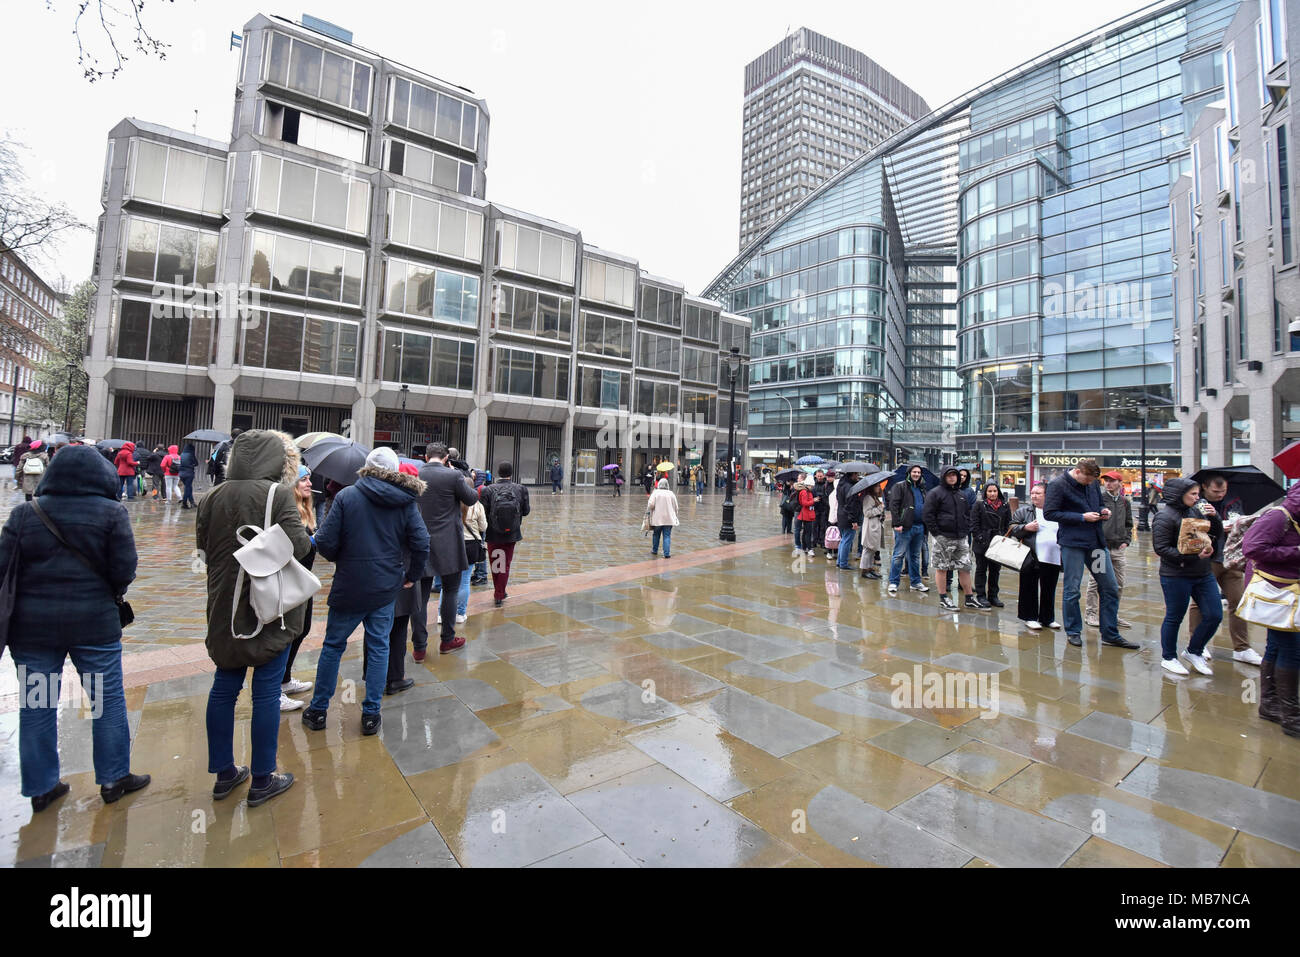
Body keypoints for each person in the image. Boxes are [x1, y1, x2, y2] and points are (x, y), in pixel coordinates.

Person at [0, 444, 149, 813]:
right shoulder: (112, 513)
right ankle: (114, 778)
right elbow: (125, 568)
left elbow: (4, 569)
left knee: (38, 703)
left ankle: (41, 786)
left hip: (33, 631)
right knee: (105, 699)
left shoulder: (25, 513)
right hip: (94, 628)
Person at [199, 430, 309, 806]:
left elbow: (202, 546)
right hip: (268, 608)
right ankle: (263, 778)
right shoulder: (277, 494)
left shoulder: (212, 494)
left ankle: (224, 773)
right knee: (265, 692)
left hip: (222, 607)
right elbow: (301, 545)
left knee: (224, 687)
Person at [302, 447, 429, 737]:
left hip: (350, 582)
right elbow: (422, 542)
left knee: (333, 645)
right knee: (379, 645)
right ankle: (371, 714)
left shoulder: (347, 496)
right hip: (386, 585)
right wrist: (411, 575)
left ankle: (319, 710)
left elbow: (326, 541)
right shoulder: (406, 501)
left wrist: (342, 559)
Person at [1045, 458, 1139, 650]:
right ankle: (1073, 631)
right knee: (1072, 589)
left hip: (1095, 543)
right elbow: (1050, 513)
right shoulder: (1058, 485)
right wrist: (1081, 517)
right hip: (1073, 544)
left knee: (1109, 586)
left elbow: (1095, 505)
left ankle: (1110, 633)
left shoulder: (1093, 483)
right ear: (1078, 472)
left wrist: (1102, 511)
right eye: (1087, 480)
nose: (1090, 484)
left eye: (1092, 481)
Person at [410, 443, 478, 662]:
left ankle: (419, 647)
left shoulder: (415, 474)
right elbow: (471, 498)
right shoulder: (453, 475)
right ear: (446, 457)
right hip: (449, 542)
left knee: (419, 596)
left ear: (426, 456)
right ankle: (447, 640)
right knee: (450, 590)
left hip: (420, 542)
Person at [1243, 480, 1300, 736]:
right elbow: (1253, 548)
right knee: (1291, 649)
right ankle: (1291, 716)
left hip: (1289, 593)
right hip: (1277, 593)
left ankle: (1270, 705)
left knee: (1277, 646)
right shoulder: (1278, 517)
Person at [1151, 478, 1224, 676]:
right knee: (1175, 617)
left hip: (1202, 572)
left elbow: (1215, 533)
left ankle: (1194, 651)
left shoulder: (1196, 510)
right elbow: (1161, 548)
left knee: (1215, 614)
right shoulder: (1164, 517)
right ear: (1179, 495)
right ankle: (1169, 657)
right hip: (1176, 574)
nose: (1197, 497)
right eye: (1193, 494)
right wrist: (1191, 557)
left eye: (1197, 493)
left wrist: (1215, 516)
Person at [1189, 473, 1261, 665]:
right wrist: (1218, 524)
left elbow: (1241, 521)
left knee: (1238, 602)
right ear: (1205, 487)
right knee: (1199, 602)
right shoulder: (1196, 504)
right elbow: (1191, 530)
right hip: (1207, 558)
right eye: (1216, 491)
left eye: (1223, 490)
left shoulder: (1234, 500)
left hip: (1231, 559)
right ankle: (1197, 644)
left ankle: (1242, 648)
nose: (1220, 494)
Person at [278, 465, 317, 712]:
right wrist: (312, 541)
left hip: (304, 580)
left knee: (302, 629)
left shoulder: (305, 511)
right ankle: (275, 689)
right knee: (287, 634)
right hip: (290, 581)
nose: (309, 484)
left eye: (309, 479)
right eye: (304, 480)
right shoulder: (288, 511)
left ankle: (284, 679)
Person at [924, 467, 985, 610]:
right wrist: (937, 533)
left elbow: (967, 513)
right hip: (943, 537)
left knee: (965, 568)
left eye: (954, 475)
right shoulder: (935, 493)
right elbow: (928, 515)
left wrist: (966, 529)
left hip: (961, 537)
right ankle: (943, 598)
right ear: (944, 477)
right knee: (942, 568)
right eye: (949, 475)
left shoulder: (961, 494)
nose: (952, 478)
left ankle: (969, 598)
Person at [1084, 471, 1136, 630]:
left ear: (1120, 483)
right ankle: (1091, 613)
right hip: (1100, 547)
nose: (1108, 483)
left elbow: (1129, 523)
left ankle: (1111, 614)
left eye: (1112, 481)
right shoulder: (1099, 500)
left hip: (1118, 548)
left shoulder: (1124, 502)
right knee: (1095, 582)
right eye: (1106, 481)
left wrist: (1126, 541)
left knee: (1119, 584)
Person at [480, 461, 531, 608]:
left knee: (496, 562)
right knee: (505, 563)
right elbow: (526, 511)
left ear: (498, 472)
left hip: (493, 532)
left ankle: (499, 592)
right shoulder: (520, 489)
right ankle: (499, 593)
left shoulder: (488, 490)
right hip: (512, 532)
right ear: (511, 473)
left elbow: (483, 512)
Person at [887, 466, 929, 595]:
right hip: (904, 527)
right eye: (914, 472)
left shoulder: (922, 488)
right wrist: (897, 523)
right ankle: (893, 582)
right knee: (899, 555)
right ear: (909, 473)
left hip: (919, 527)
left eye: (918, 472)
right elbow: (893, 505)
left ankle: (916, 582)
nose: (916, 474)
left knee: (915, 556)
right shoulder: (900, 486)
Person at [971, 482, 1010, 607]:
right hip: (982, 542)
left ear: (998, 492)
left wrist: (1004, 536)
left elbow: (1008, 524)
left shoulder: (1005, 505)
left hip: (998, 542)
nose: (992, 494)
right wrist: (980, 537)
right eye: (989, 491)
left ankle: (993, 596)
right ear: (985, 493)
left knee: (995, 571)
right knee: (981, 570)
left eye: (994, 491)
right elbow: (974, 524)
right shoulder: (979, 505)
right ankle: (981, 595)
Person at [858, 481, 886, 580]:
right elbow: (867, 513)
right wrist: (879, 508)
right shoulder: (868, 498)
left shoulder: (875, 497)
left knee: (873, 549)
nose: (879, 487)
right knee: (868, 549)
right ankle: (864, 570)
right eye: (877, 486)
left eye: (879, 486)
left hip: (875, 526)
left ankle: (870, 569)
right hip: (870, 526)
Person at [835, 472, 862, 570]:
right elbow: (851, 505)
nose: (857, 477)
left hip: (841, 515)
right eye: (856, 475)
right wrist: (854, 521)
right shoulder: (850, 487)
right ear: (852, 475)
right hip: (848, 518)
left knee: (843, 540)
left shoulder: (841, 485)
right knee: (847, 541)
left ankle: (840, 562)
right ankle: (843, 563)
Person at [647, 476, 680, 558]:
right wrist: (675, 515)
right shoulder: (671, 494)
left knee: (656, 534)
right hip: (669, 519)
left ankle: (655, 550)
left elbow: (650, 505)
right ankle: (667, 553)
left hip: (658, 518)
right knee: (667, 535)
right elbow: (676, 507)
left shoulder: (656, 493)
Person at [792, 476, 816, 556]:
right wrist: (814, 500)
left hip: (804, 514)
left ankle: (803, 548)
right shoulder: (805, 492)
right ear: (808, 485)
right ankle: (807, 549)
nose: (812, 487)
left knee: (805, 532)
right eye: (812, 486)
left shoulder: (804, 491)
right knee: (806, 532)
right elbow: (804, 503)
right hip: (805, 514)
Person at [811, 469, 832, 560]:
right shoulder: (813, 485)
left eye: (821, 476)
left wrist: (823, 498)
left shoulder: (826, 485)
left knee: (823, 526)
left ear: (823, 476)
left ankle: (823, 542)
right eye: (818, 476)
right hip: (815, 508)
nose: (819, 477)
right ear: (816, 476)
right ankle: (814, 541)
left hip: (824, 508)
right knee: (814, 526)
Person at [179, 443, 198, 508]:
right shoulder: (191, 454)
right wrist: (191, 465)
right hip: (189, 473)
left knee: (188, 487)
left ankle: (192, 502)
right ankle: (184, 503)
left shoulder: (181, 454)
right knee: (188, 488)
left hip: (181, 473)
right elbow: (196, 463)